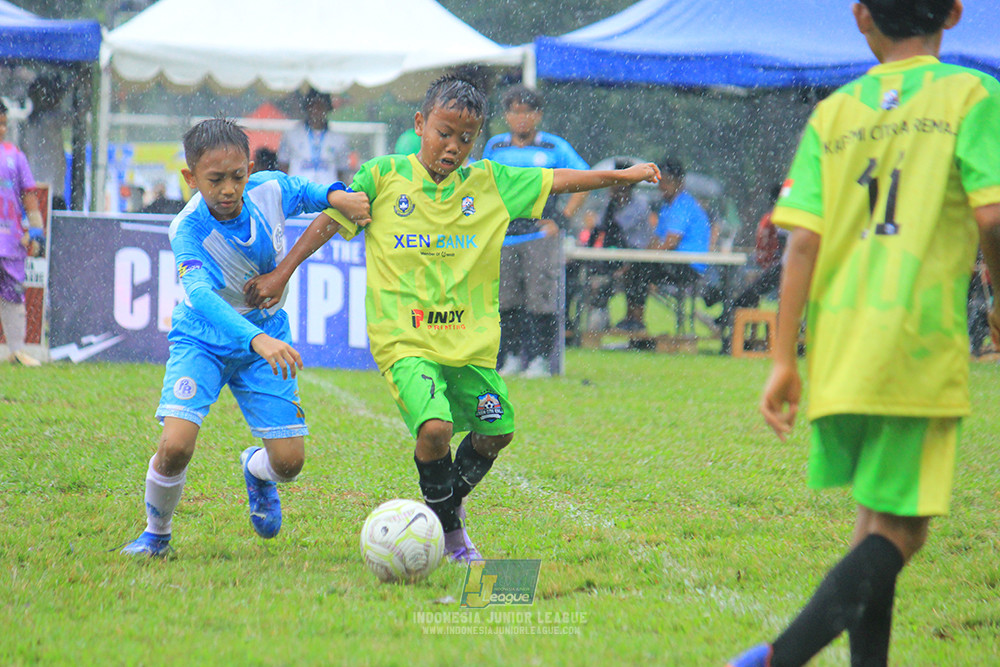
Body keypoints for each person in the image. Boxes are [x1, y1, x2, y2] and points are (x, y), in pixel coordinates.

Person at [244, 74, 660, 562]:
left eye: (466, 138)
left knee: (497, 430)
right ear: (420, 123)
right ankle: (450, 533)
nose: (453, 146)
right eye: (444, 132)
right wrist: (281, 274)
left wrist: (624, 176)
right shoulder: (381, 178)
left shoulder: (490, 182)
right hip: (405, 339)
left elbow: (564, 180)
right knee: (436, 428)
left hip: (470, 345)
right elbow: (328, 223)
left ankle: (442, 505)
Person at [728, 1, 1000, 665]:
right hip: (916, 339)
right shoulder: (973, 95)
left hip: (842, 345)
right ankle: (779, 656)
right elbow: (992, 218)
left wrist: (783, 357)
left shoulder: (835, 112)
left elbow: (800, 244)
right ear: (956, 13)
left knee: (872, 520)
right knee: (903, 532)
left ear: (860, 17)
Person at [119, 118, 369, 557]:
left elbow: (308, 192)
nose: (229, 189)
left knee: (289, 464)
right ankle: (156, 535)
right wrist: (256, 340)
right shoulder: (188, 229)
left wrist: (337, 196)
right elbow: (199, 296)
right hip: (204, 338)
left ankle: (256, 470)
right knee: (176, 446)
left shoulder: (267, 189)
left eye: (238, 176)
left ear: (249, 169)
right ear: (190, 178)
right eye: (215, 180)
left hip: (265, 332)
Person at [482, 85, 591, 378]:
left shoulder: (554, 147)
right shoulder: (495, 147)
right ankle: (512, 357)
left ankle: (540, 360)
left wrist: (562, 218)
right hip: (504, 238)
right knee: (506, 301)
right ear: (506, 116)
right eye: (515, 111)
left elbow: (583, 177)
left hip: (539, 237)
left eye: (527, 111)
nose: (521, 118)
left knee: (540, 299)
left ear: (538, 115)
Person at [619, 157, 711, 330]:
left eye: (667, 182)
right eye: (661, 182)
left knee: (640, 270)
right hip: (675, 262)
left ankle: (636, 320)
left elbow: (670, 242)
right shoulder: (667, 206)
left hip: (688, 266)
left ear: (679, 182)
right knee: (635, 268)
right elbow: (656, 239)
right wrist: (639, 256)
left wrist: (644, 258)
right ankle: (632, 317)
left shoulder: (683, 205)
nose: (662, 187)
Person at [0, 100, 45, 367]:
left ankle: (17, 351)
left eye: (4, 124)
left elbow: (29, 196)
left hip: (11, 240)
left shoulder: (15, 156)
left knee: (13, 295)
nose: (2, 129)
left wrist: (36, 231)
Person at [277, 88, 351, 184]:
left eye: (321, 106)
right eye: (313, 105)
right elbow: (283, 166)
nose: (317, 110)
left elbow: (342, 171)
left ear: (328, 108)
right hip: (299, 192)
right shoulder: (291, 134)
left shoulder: (339, 139)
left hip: (327, 193)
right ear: (307, 107)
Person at [23, 75, 70, 210]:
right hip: (50, 192)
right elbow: (76, 117)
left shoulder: (33, 122)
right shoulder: (47, 119)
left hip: (37, 190)